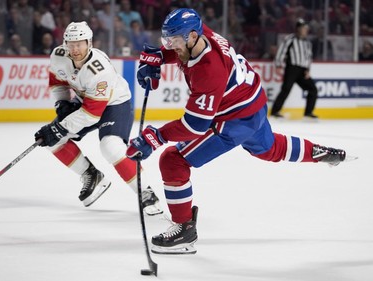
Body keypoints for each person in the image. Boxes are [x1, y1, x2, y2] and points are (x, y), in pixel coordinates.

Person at [125, 8, 349, 254]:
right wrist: (159, 55)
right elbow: (180, 53)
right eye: (166, 40)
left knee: (172, 161)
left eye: (174, 41)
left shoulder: (209, 69)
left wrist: (156, 137)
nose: (170, 45)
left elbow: (195, 125)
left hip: (233, 120)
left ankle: (184, 230)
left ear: (191, 37)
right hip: (253, 103)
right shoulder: (202, 35)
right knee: (269, 148)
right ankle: (320, 152)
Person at [34, 21, 162, 215]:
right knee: (52, 140)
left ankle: (145, 191)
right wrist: (62, 102)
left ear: (89, 43)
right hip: (87, 101)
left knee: (110, 146)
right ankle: (91, 175)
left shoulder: (99, 69)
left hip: (114, 104)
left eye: (80, 43)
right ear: (64, 43)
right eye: (71, 43)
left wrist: (60, 126)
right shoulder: (59, 56)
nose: (75, 49)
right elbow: (58, 81)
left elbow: (92, 113)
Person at [271, 18, 318, 119]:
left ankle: (308, 113)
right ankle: (275, 111)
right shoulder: (290, 39)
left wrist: (308, 70)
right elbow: (281, 51)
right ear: (298, 29)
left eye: (306, 28)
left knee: (313, 89)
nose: (306, 30)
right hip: (292, 68)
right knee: (286, 89)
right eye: (304, 28)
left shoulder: (307, 43)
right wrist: (278, 65)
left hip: (302, 70)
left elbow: (308, 57)